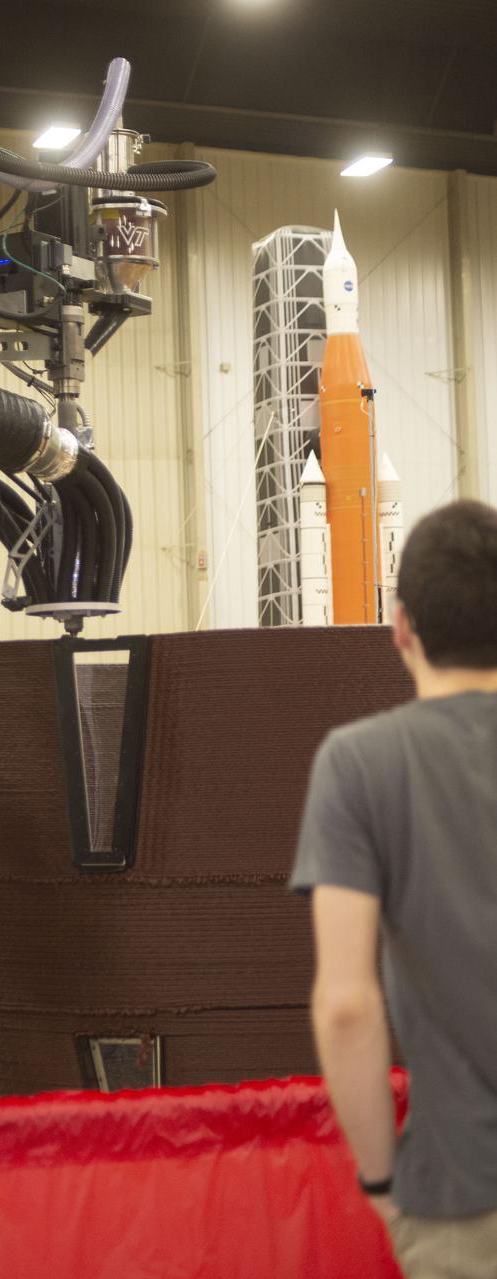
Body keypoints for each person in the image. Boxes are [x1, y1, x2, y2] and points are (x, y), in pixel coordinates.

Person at [290, 499, 497, 1279]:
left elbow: (346, 1005)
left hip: (461, 1195)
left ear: (401, 625)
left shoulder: (358, 764)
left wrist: (380, 1181)